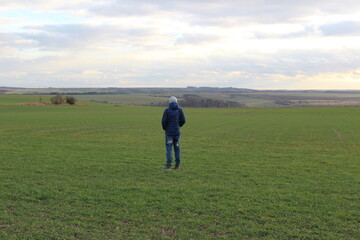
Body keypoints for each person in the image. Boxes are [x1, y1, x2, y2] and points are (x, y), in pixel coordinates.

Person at [161, 96, 186, 170]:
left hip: (169, 133)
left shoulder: (167, 111)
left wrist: (166, 129)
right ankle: (177, 166)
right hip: (177, 133)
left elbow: (163, 122)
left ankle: (168, 166)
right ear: (176, 102)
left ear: (169, 102)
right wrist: (178, 126)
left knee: (169, 149)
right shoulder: (180, 110)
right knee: (177, 149)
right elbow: (183, 120)